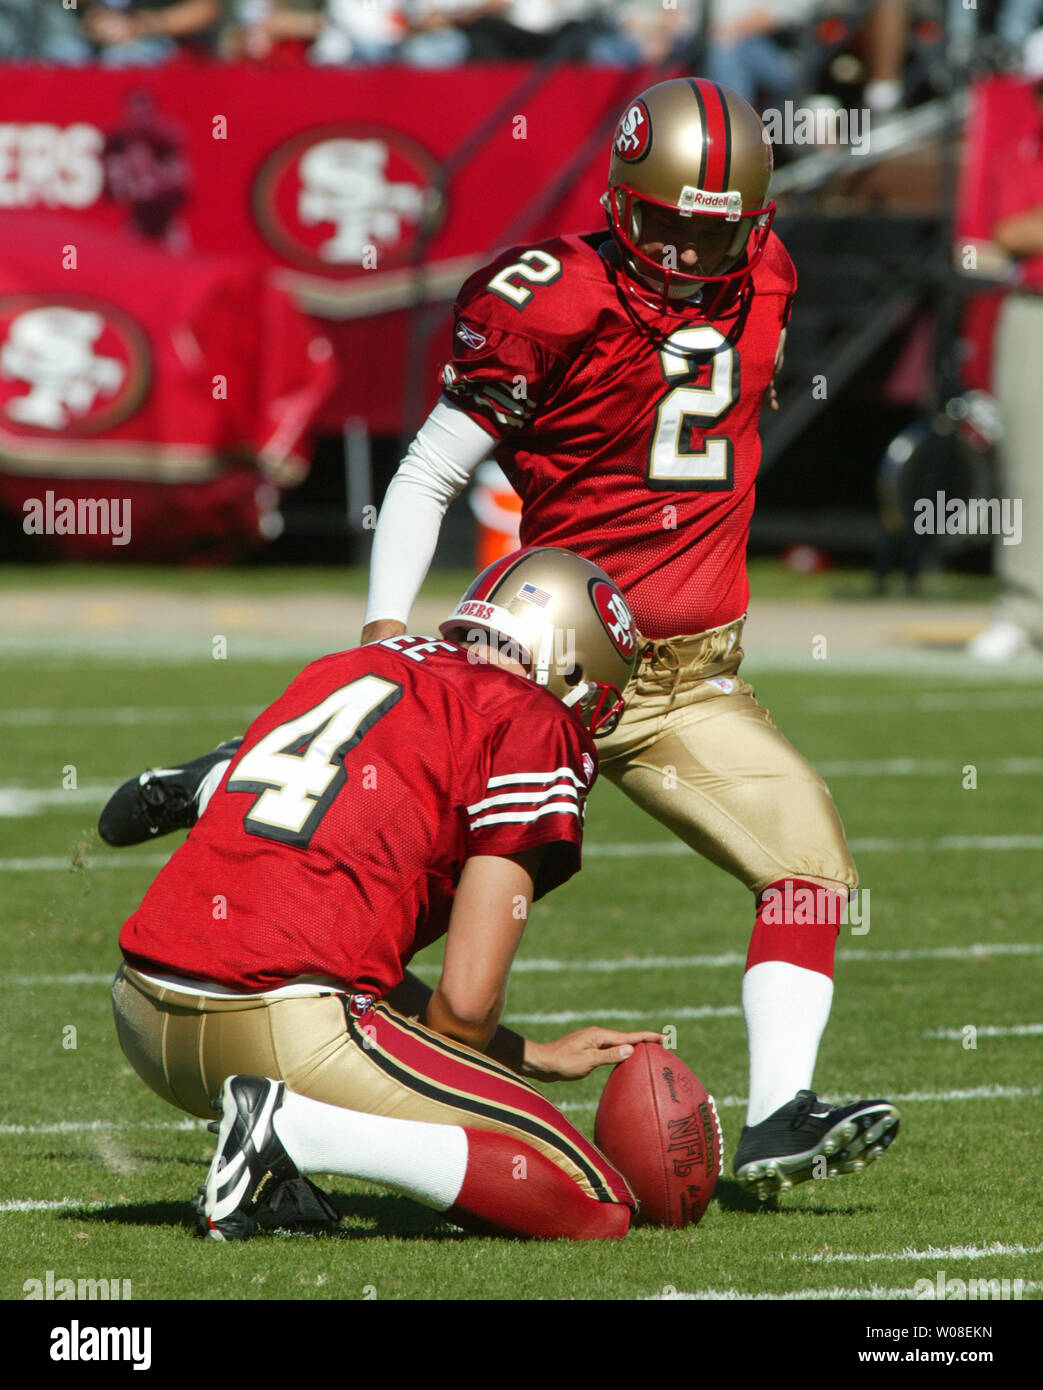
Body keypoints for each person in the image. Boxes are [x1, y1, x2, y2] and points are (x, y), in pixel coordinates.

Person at [362, 78, 901, 1199]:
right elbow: (426, 472)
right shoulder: (547, 296)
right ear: (619, 202)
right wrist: (383, 633)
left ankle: (777, 1116)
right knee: (393, 911)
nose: (689, 254)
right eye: (664, 225)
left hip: (689, 678)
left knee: (806, 871)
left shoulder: (770, 271)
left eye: (716, 231)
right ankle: (319, 1110)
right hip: (546, 667)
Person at [102, 547, 663, 1241]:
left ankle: (278, 1153)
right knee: (596, 1201)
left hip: (141, 1011)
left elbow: (343, 942)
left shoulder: (351, 665)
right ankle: (292, 1133)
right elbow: (461, 1009)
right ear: (567, 665)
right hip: (278, 1027)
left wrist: (532, 1056)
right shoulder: (529, 720)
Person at [966, 29, 1043, 662]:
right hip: (1034, 307)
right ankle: (1024, 608)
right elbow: (1009, 232)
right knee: (1026, 468)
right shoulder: (1027, 143)